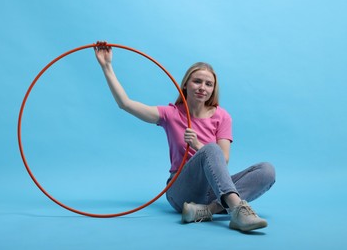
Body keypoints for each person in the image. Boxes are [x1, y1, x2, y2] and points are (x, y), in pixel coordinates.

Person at [94, 42, 276, 232]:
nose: (202, 87)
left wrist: (198, 144)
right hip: (181, 191)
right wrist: (107, 66)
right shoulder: (170, 114)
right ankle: (237, 210)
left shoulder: (222, 116)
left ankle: (207, 210)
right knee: (211, 148)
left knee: (267, 171)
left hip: (214, 190)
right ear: (185, 84)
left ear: (213, 89)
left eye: (209, 84)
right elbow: (125, 104)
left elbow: (225, 159)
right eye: (197, 81)